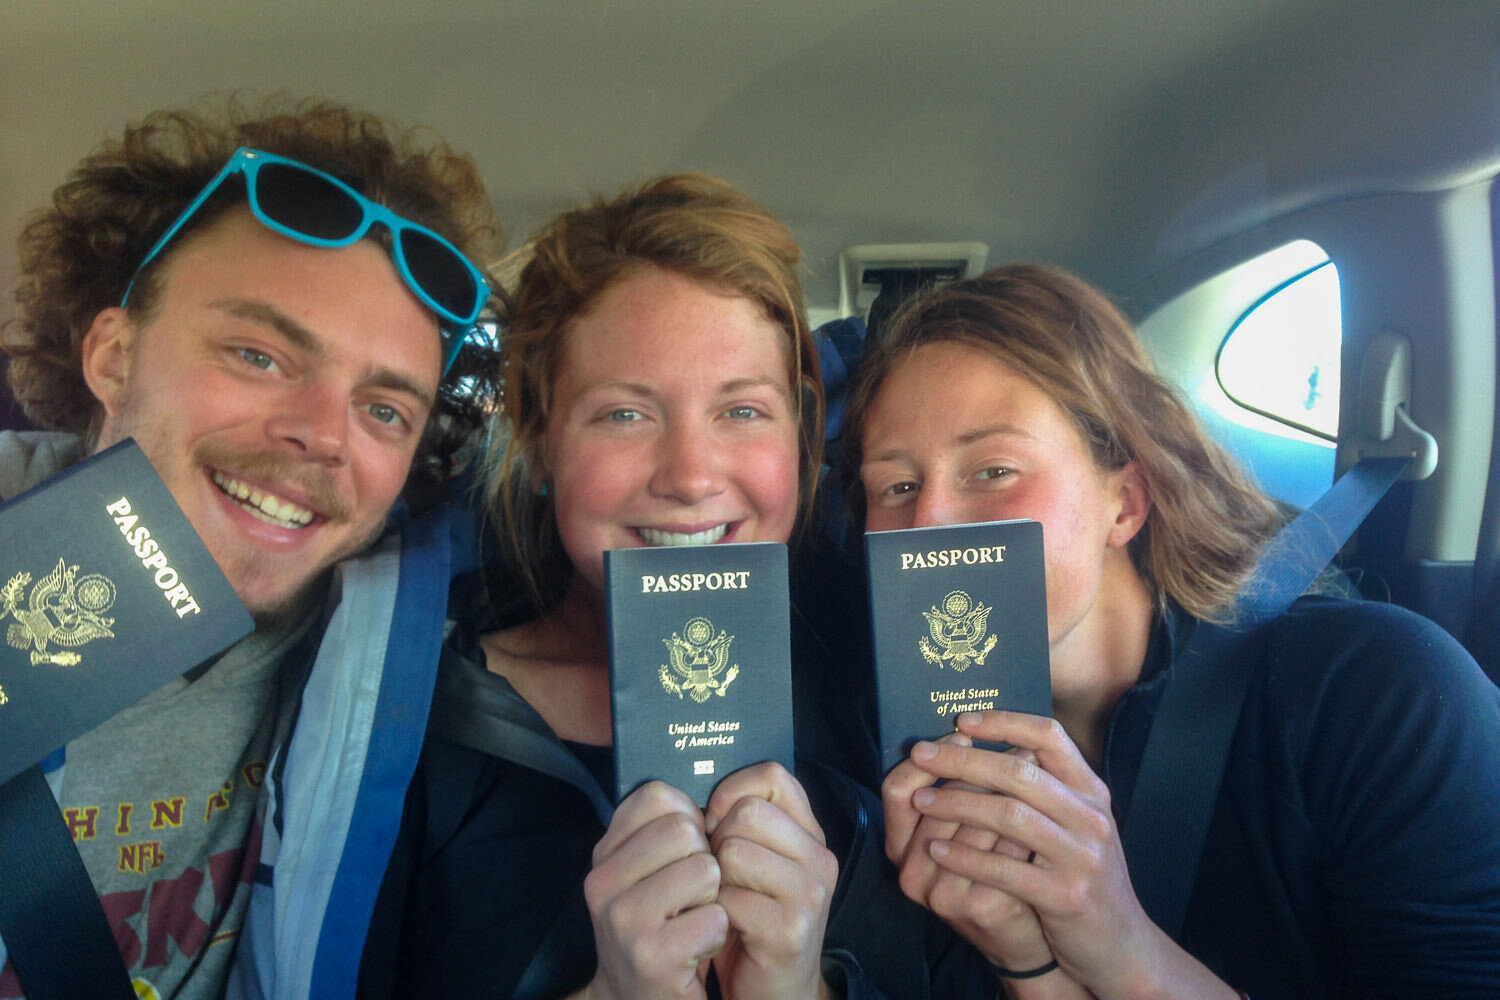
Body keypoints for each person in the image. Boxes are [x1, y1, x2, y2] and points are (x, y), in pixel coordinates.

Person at [358, 174, 990, 999]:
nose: (692, 477)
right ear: (542, 445)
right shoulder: (402, 725)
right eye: (625, 414)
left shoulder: (891, 695)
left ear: (800, 438)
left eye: (743, 411)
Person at [839, 263, 1500, 998]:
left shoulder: (1388, 696)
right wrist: (1028, 961)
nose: (927, 523)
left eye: (993, 470)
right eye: (895, 486)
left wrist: (1120, 947)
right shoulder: (899, 756)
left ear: (1126, 501)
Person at [0, 96, 502, 1000]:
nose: (323, 435)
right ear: (114, 357)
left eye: (384, 409)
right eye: (259, 355)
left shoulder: (379, 656)